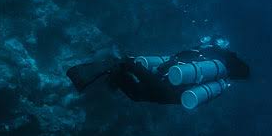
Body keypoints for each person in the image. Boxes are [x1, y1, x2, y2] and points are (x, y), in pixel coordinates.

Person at [66, 36, 250, 108]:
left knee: (137, 90)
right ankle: (120, 65)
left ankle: (120, 66)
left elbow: (179, 56)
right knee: (138, 92)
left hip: (170, 79)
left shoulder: (210, 53)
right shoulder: (221, 74)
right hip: (174, 91)